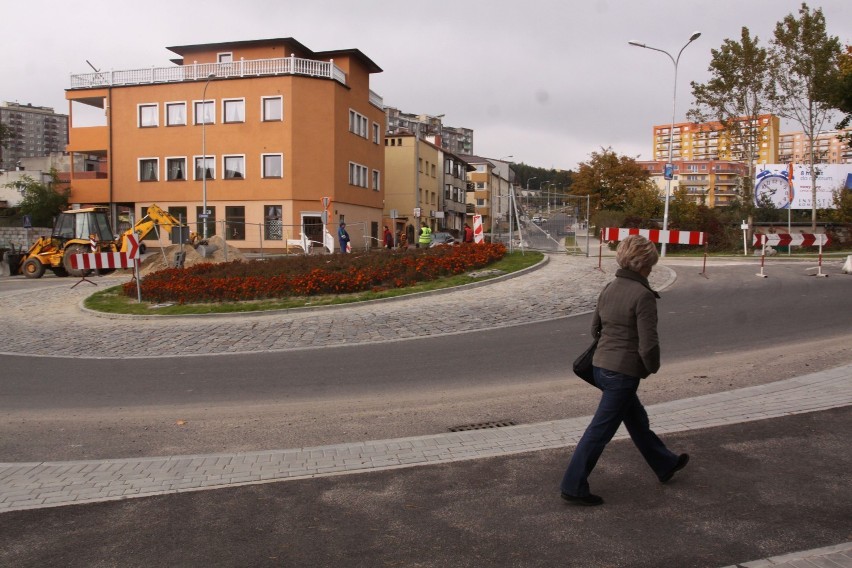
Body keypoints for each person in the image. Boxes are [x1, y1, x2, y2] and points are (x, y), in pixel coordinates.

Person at [560, 235, 688, 506]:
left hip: (600, 368)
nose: (651, 268)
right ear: (644, 264)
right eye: (651, 263)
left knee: (637, 421)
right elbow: (648, 344)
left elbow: (595, 328)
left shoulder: (610, 287)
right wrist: (650, 368)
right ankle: (573, 485)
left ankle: (665, 463)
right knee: (600, 430)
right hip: (622, 374)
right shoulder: (643, 295)